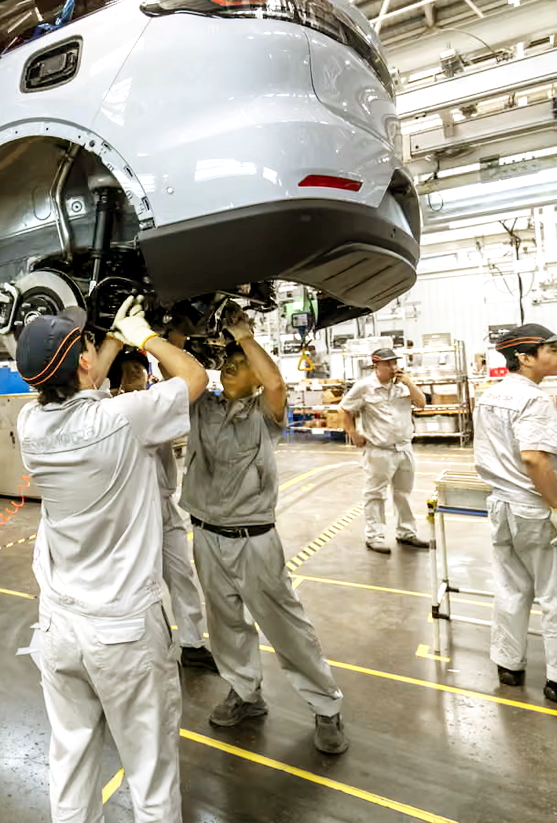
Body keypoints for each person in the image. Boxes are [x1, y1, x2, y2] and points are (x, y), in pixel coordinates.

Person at [16, 297, 208, 823]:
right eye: (85, 347)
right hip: (122, 631)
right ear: (81, 362)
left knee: (72, 759)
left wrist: (110, 341)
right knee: (149, 774)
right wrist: (143, 335)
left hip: (59, 627)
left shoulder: (30, 423)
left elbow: (85, 381)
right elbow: (194, 377)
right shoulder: (126, 418)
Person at [174, 307, 348, 754]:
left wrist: (244, 335)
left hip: (254, 539)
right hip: (207, 537)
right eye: (226, 363)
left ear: (255, 375)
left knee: (286, 626)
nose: (230, 368)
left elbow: (276, 384)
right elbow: (174, 370)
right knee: (226, 623)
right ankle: (245, 693)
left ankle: (326, 706)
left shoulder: (263, 414)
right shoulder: (202, 406)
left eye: (240, 364)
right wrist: (173, 330)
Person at [473, 324, 557, 704]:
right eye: (551, 349)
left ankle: (509, 664)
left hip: (503, 507)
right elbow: (531, 457)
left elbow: (515, 451)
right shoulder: (535, 399)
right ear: (524, 357)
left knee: (512, 587)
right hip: (538, 512)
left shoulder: (490, 397)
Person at [109, 349, 215, 672]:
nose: (142, 380)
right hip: (134, 511)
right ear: (123, 379)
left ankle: (193, 643)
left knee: (181, 573)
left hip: (164, 504)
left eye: (143, 374)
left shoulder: (152, 407)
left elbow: (183, 386)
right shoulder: (116, 411)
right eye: (136, 375)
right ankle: (145, 650)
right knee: (141, 582)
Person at [338, 347, 429, 554]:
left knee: (403, 493)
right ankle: (375, 536)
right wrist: (353, 433)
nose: (392, 367)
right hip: (379, 450)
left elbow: (421, 404)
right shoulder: (364, 387)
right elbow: (344, 408)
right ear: (376, 366)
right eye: (387, 364)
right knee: (375, 494)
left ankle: (406, 533)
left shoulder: (404, 385)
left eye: (394, 363)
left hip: (404, 448)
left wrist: (409, 383)